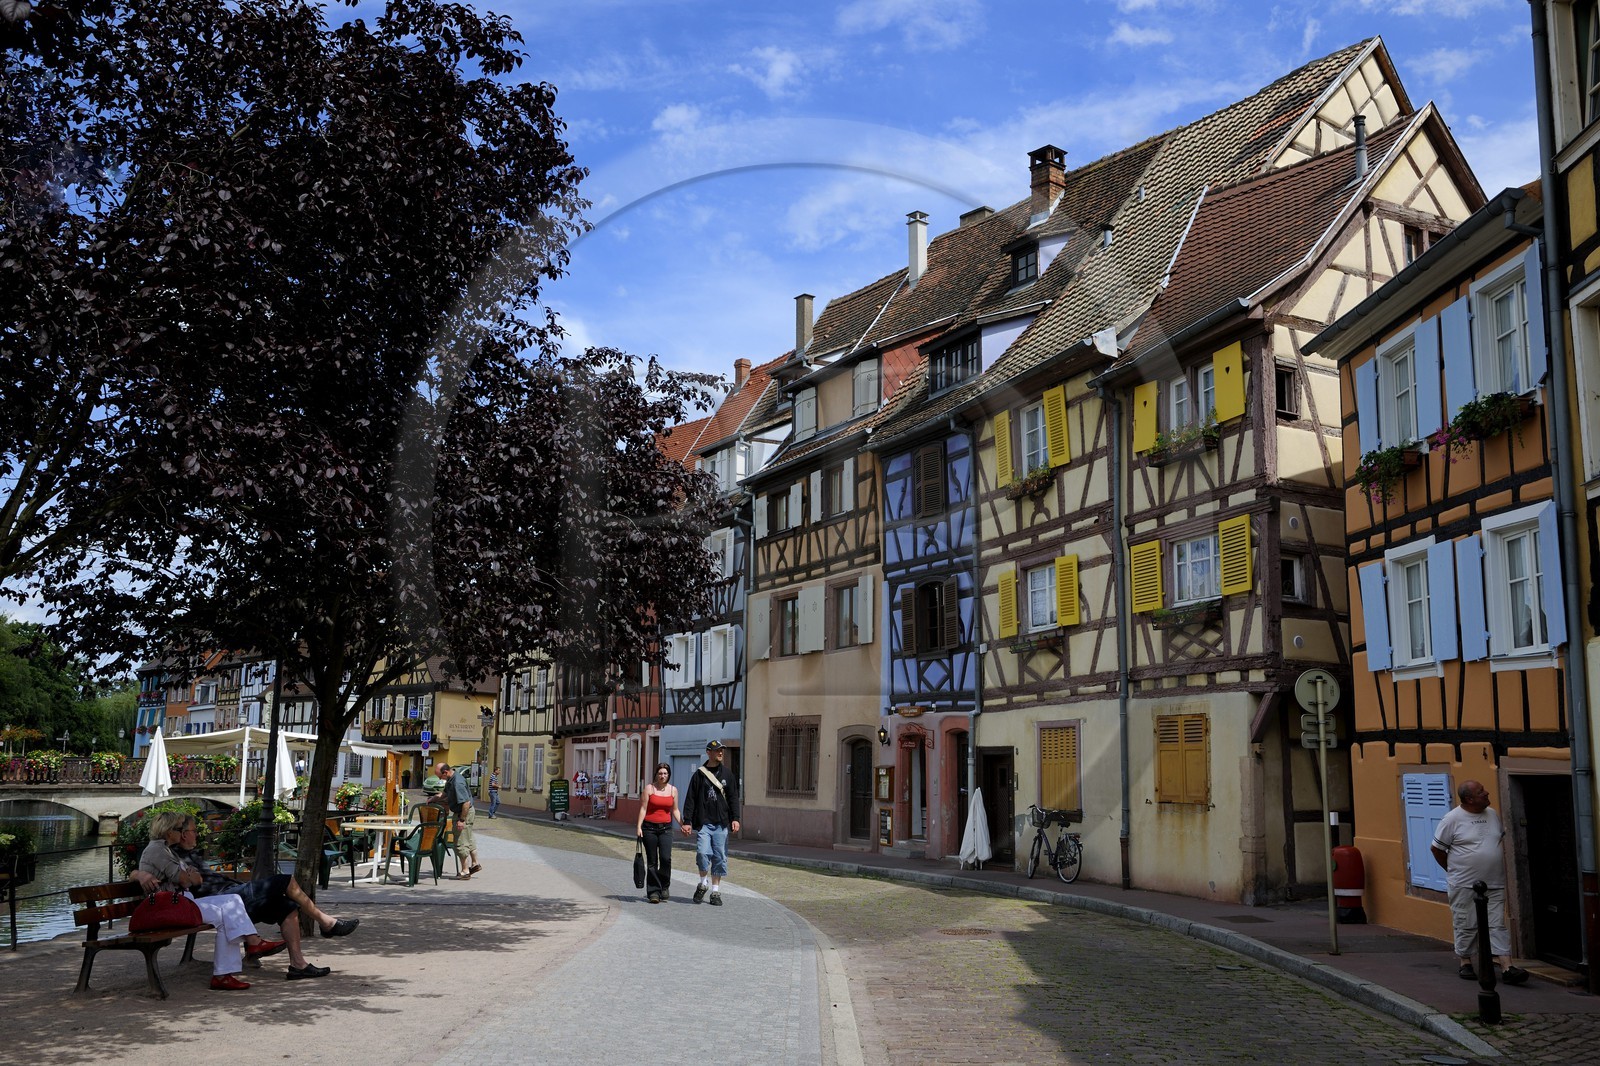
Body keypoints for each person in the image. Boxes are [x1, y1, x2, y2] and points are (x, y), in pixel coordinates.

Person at [141, 811, 360, 983]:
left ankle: (298, 965)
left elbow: (193, 877)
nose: (194, 834)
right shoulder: (170, 852)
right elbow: (181, 878)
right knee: (283, 881)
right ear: (175, 832)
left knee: (286, 905)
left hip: (230, 894)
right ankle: (325, 922)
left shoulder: (185, 853)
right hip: (221, 899)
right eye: (190, 830)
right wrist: (139, 873)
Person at [137, 812, 285, 990]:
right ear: (169, 832)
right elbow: (185, 879)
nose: (181, 832)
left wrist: (188, 876)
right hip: (166, 907)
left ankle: (233, 963)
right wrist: (187, 876)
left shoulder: (167, 850)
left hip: (178, 902)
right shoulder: (157, 850)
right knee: (226, 912)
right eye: (178, 829)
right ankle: (236, 961)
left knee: (233, 901)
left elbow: (195, 878)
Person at [1431, 780, 1529, 985]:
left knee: (1496, 924)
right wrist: (1453, 870)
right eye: (1481, 791)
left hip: (1494, 882)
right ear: (1469, 799)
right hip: (1464, 883)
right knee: (1465, 922)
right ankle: (1465, 961)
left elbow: (1495, 840)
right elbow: (1437, 849)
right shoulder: (1452, 819)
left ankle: (1507, 966)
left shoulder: (1492, 814)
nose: (1486, 793)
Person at [681, 740, 739, 907]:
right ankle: (702, 883)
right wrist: (687, 821)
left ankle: (715, 891)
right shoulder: (699, 775)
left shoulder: (728, 775)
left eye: (722, 750)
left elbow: (734, 798)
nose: (720, 753)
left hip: (721, 823)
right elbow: (690, 799)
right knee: (702, 853)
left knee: (720, 857)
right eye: (717, 750)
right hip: (704, 823)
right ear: (708, 752)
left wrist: (736, 818)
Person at [634, 762, 684, 903]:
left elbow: (675, 810)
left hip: (665, 829)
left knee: (666, 858)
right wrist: (638, 827)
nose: (663, 776)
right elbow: (643, 808)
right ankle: (653, 892)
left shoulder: (673, 790)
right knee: (652, 861)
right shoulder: (649, 789)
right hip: (649, 828)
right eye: (660, 773)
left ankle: (664, 887)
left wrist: (683, 824)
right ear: (656, 774)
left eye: (665, 773)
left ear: (669, 775)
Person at [438, 762, 483, 880]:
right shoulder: (452, 778)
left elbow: (466, 803)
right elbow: (445, 793)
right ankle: (475, 863)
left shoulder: (457, 782)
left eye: (440, 776)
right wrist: (434, 797)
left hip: (464, 813)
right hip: (465, 812)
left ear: (445, 772)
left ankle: (465, 870)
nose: (440, 779)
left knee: (460, 841)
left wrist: (461, 820)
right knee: (469, 838)